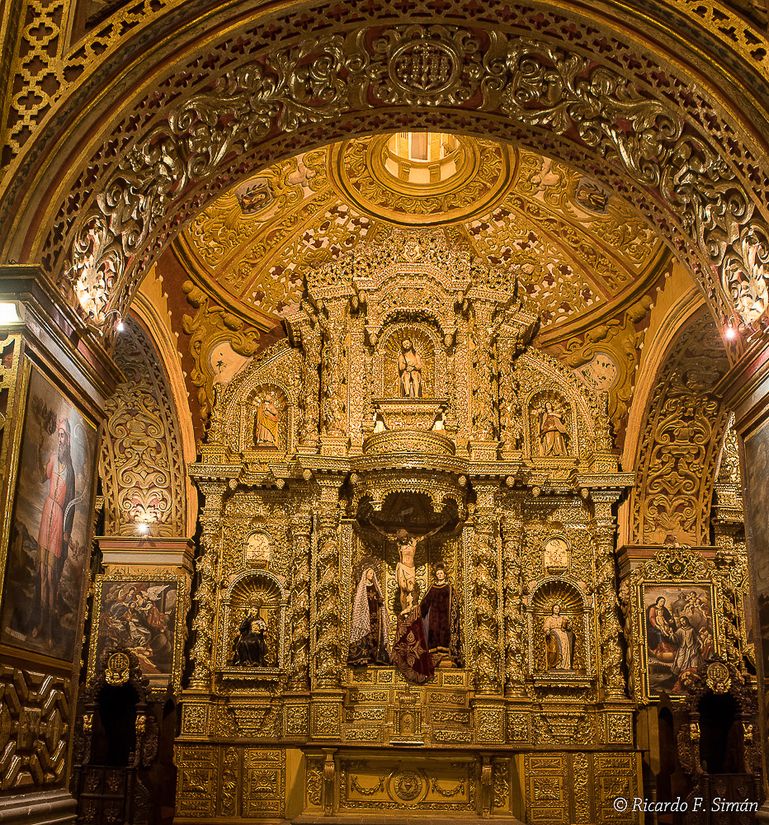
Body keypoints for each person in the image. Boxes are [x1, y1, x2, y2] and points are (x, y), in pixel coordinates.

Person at [33, 417, 76, 641]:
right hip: (47, 513)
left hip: (58, 516)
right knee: (42, 572)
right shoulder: (52, 459)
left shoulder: (70, 470)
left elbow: (71, 502)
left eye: (64, 435)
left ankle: (49, 626)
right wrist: (39, 446)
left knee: (51, 575)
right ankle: (40, 622)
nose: (61, 439)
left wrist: (67, 531)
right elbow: (41, 478)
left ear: (68, 440)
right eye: (59, 435)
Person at [419, 563, 463, 667]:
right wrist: (419, 610)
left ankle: (445, 654)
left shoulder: (449, 588)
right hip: (434, 616)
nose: (439, 575)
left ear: (444, 574)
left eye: (441, 573)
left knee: (444, 631)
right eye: (438, 573)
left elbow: (454, 602)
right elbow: (425, 601)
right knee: (433, 631)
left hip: (445, 616)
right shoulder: (432, 587)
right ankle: (433, 654)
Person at [348, 566, 390, 665]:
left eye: (373, 574)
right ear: (365, 574)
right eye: (370, 573)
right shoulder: (362, 587)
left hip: (375, 614)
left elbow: (378, 598)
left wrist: (380, 600)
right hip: (365, 615)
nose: (372, 575)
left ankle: (375, 657)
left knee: (375, 636)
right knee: (366, 634)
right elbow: (360, 602)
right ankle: (363, 658)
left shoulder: (375, 586)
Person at [543, 604, 575, 670]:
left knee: (565, 649)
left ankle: (563, 664)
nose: (557, 610)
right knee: (554, 649)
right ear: (552, 609)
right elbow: (546, 627)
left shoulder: (562, 618)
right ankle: (556, 664)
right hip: (554, 634)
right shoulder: (549, 619)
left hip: (563, 635)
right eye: (555, 608)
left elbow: (567, 626)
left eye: (558, 608)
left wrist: (568, 623)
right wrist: (547, 631)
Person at [646, 596, 677, 661]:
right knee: (659, 633)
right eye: (661, 601)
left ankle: (670, 649)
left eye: (664, 602)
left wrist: (671, 622)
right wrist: (657, 626)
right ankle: (662, 648)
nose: (662, 603)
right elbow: (651, 618)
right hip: (653, 627)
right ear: (658, 601)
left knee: (671, 633)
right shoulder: (653, 608)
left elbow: (668, 618)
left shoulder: (664, 609)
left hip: (664, 626)